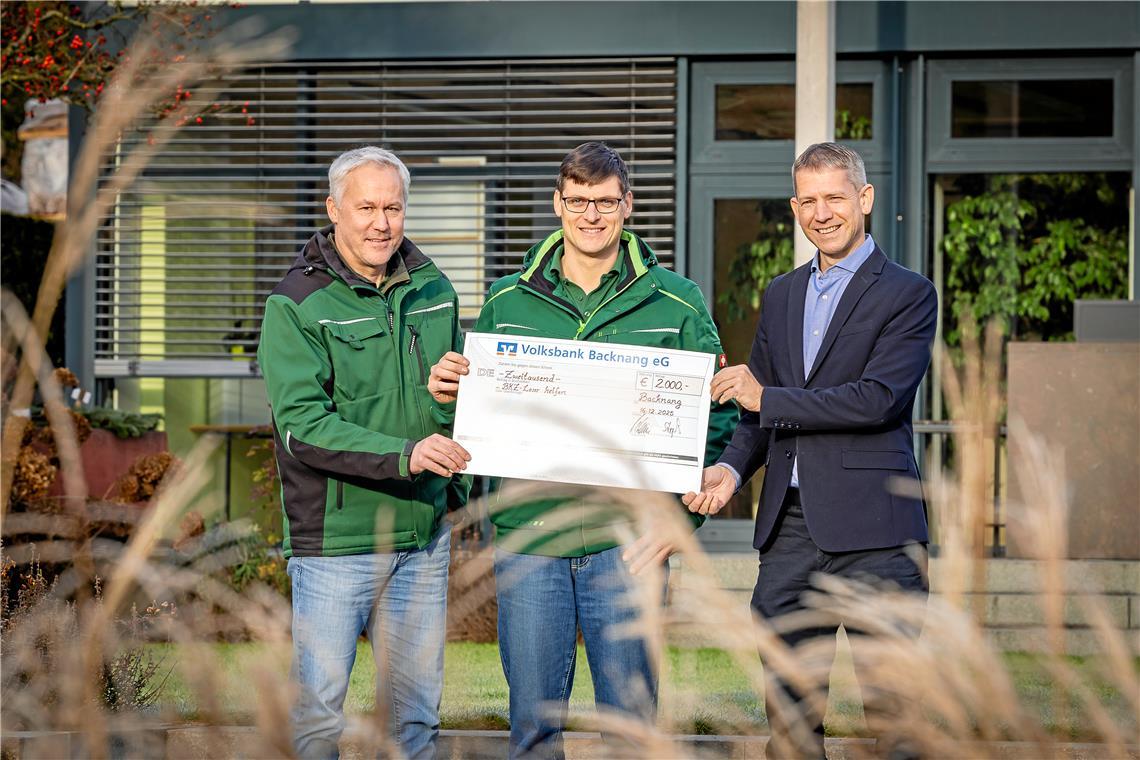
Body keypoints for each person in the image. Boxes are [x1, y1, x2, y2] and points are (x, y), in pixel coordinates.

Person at [428, 142, 737, 758]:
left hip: (628, 546)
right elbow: (472, 416)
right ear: (557, 204)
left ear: (627, 206)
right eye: (577, 202)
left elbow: (717, 416)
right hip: (529, 540)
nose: (590, 215)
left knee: (632, 728)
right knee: (534, 727)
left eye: (603, 202)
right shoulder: (505, 301)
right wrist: (444, 396)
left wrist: (683, 519)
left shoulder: (676, 302)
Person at [683, 142, 938, 758]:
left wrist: (765, 399)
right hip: (789, 537)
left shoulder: (908, 293)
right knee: (790, 723)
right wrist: (730, 469)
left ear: (864, 199)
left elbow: (875, 400)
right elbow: (757, 412)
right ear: (795, 206)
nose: (822, 213)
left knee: (896, 716)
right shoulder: (782, 294)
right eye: (809, 200)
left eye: (835, 198)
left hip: (876, 533)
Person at [257, 146, 471, 759]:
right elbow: (302, 427)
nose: (382, 223)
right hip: (337, 544)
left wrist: (450, 401)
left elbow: (449, 407)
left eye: (394, 208)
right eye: (367, 208)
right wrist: (406, 453)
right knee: (320, 718)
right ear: (334, 210)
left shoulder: (435, 287)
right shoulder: (296, 303)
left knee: (416, 721)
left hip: (422, 541)